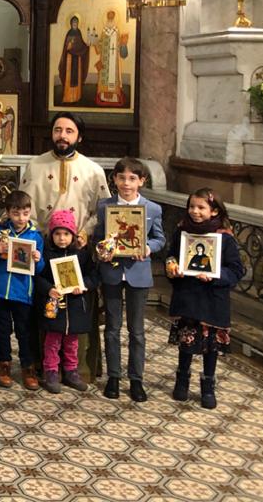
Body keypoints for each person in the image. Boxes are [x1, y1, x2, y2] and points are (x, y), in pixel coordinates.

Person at [19, 112, 110, 379]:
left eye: (69, 131)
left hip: (78, 250)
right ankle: (41, 365)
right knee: (43, 303)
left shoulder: (93, 170)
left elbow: (103, 211)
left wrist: (85, 232)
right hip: (43, 249)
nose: (62, 136)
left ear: (79, 136)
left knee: (78, 306)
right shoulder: (35, 165)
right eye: (58, 130)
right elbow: (24, 205)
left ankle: (79, 368)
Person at [92, 156, 166, 402]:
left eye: (132, 178)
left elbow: (159, 239)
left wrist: (148, 248)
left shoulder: (152, 209)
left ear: (141, 181)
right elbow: (99, 237)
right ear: (114, 179)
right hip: (112, 272)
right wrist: (102, 249)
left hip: (138, 273)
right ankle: (113, 376)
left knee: (137, 330)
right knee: (112, 327)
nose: (126, 183)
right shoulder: (104, 206)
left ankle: (136, 379)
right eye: (122, 178)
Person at [165, 189, 245, 409]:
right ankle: (182, 379)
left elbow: (236, 270)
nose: (195, 211)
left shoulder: (224, 237)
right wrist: (172, 266)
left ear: (214, 211)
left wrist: (215, 275)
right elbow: (172, 255)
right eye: (192, 206)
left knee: (211, 348)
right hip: (188, 296)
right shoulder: (182, 231)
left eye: (201, 207)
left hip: (212, 300)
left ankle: (208, 386)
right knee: (186, 342)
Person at [0, 190, 44, 390]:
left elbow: (40, 269)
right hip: (0, 290)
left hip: (22, 292)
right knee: (3, 329)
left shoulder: (35, 236)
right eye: (16, 213)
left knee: (23, 330)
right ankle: (4, 364)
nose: (21, 218)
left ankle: (27, 367)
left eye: (25, 213)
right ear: (8, 212)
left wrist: (38, 259)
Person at [37, 209, 98, 394]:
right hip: (55, 305)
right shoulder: (47, 254)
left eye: (66, 234)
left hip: (75, 305)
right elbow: (38, 277)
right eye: (57, 234)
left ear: (73, 235)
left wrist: (83, 285)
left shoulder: (82, 254)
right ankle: (51, 372)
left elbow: (93, 276)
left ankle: (71, 371)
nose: (62, 238)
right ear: (51, 235)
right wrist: (49, 289)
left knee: (72, 341)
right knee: (52, 340)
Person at [58, 15, 90, 104]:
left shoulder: (79, 32)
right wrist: (70, 44)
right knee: (70, 77)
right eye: (73, 22)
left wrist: (86, 46)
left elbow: (81, 44)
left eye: (76, 22)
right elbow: (66, 47)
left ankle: (76, 96)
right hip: (70, 59)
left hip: (77, 58)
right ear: (71, 23)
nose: (75, 24)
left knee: (77, 77)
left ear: (78, 23)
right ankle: (68, 97)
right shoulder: (69, 33)